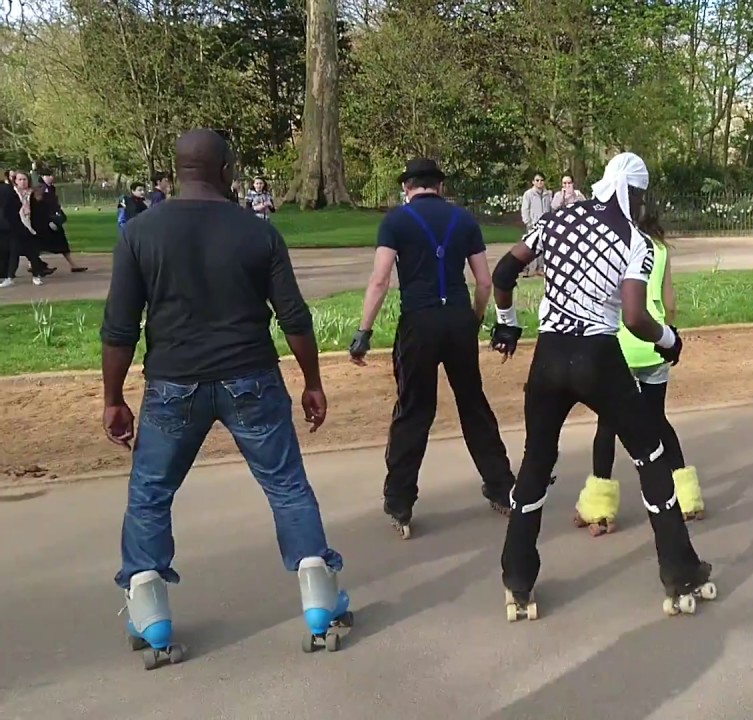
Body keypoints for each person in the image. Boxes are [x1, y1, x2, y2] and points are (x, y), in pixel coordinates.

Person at [100, 129, 351, 669]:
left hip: (173, 383)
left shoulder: (139, 233)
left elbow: (119, 328)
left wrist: (113, 397)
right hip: (251, 378)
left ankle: (151, 614)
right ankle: (318, 600)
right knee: (286, 486)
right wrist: (312, 381)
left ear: (178, 169)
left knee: (150, 494)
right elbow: (294, 317)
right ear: (227, 170)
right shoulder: (258, 233)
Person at [488, 151, 715, 621]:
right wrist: (669, 341)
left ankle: (518, 579)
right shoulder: (635, 240)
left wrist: (506, 323)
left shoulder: (556, 219)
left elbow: (504, 273)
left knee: (536, 461)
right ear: (633, 193)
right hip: (598, 357)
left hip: (550, 356)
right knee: (649, 456)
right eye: (641, 195)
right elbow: (634, 317)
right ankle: (680, 571)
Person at [348, 158, 516, 539]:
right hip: (457, 320)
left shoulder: (395, 221)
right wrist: (474, 318)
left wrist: (363, 331)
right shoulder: (465, 220)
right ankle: (502, 487)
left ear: (406, 187)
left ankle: (400, 501)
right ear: (440, 187)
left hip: (419, 323)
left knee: (414, 409)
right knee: (473, 404)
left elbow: (379, 280)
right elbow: (484, 282)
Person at [574, 208, 705, 536]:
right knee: (657, 420)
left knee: (607, 426)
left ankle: (599, 511)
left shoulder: (615, 243)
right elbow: (669, 302)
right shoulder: (659, 249)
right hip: (654, 342)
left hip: (619, 344)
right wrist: (667, 333)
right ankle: (686, 499)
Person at [0, 173, 54, 288]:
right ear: (15, 181)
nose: (23, 182)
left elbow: (39, 210)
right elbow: (9, 209)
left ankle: (35, 276)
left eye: (24, 179)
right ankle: (10, 277)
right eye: (20, 179)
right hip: (16, 227)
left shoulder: (32, 194)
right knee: (14, 252)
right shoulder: (11, 192)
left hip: (29, 227)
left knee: (32, 253)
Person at [32, 170, 88, 272]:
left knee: (62, 243)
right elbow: (39, 207)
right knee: (37, 244)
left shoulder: (51, 188)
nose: (51, 177)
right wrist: (47, 220)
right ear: (43, 177)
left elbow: (54, 204)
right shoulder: (39, 188)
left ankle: (73, 265)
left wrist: (60, 215)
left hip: (54, 220)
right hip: (43, 222)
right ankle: (33, 264)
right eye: (48, 175)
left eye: (51, 175)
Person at [519, 172, 552, 277]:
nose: (539, 182)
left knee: (542, 247)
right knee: (529, 247)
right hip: (532, 224)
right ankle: (525, 268)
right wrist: (528, 222)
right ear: (533, 182)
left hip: (544, 224)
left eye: (541, 180)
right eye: (537, 180)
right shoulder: (528, 194)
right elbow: (525, 209)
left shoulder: (548, 194)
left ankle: (540, 268)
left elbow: (551, 209)